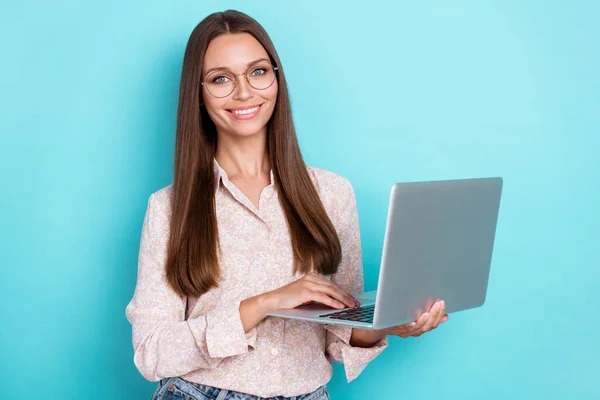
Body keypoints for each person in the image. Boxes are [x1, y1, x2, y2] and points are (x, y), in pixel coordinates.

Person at [125, 9, 448, 400]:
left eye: (258, 71)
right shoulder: (169, 208)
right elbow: (151, 353)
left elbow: (338, 329)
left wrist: (387, 324)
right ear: (198, 92)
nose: (244, 92)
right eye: (221, 79)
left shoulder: (332, 193)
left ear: (276, 77)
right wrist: (263, 304)